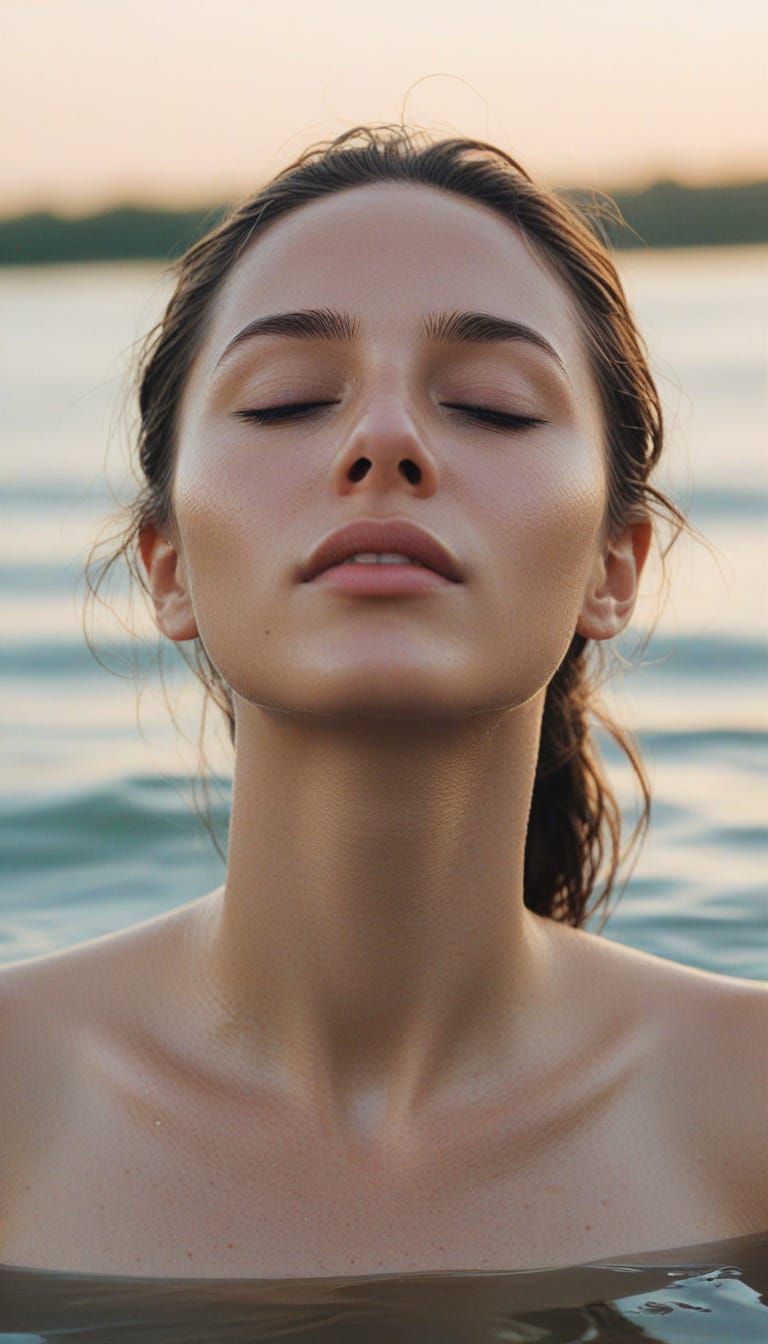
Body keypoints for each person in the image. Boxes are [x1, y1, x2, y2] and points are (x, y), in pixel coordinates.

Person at [1, 123, 765, 1280]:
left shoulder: (746, 1110)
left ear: (615, 567)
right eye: (287, 401)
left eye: (496, 406)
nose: (385, 439)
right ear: (168, 567)